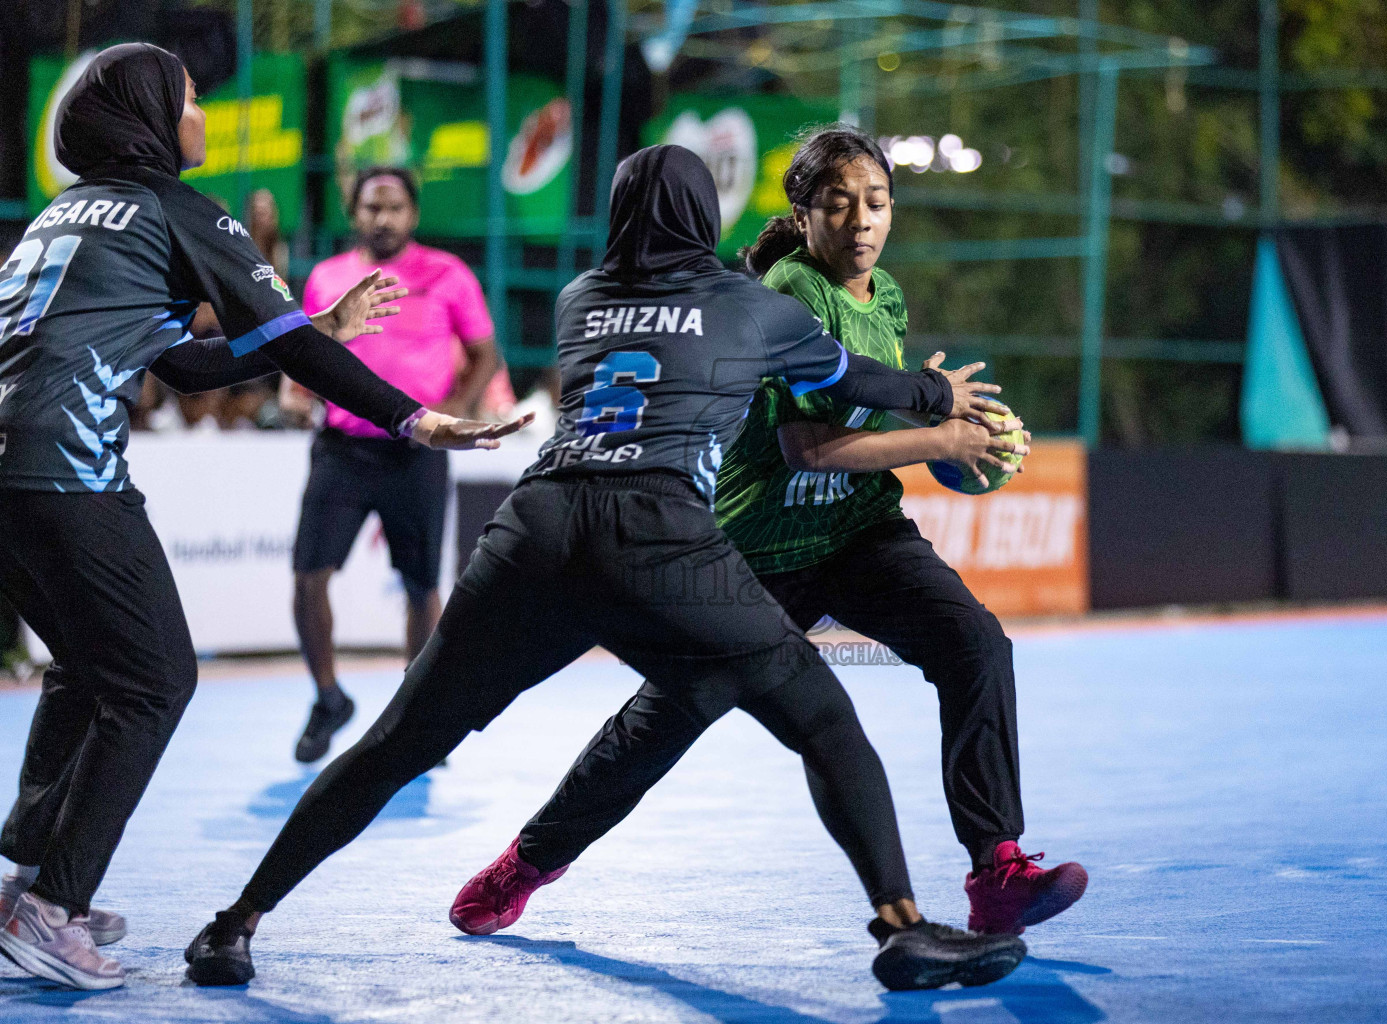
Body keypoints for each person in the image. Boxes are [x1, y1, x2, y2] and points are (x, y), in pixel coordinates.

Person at [185, 144, 1027, 993]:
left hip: (534, 530)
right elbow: (865, 382)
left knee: (396, 742)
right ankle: (903, 929)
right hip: (658, 537)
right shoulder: (750, 307)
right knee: (824, 720)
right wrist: (938, 397)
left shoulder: (579, 299)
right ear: (704, 215)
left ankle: (234, 924)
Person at [456, 126, 1089, 940]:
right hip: (758, 548)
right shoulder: (790, 292)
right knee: (664, 720)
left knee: (974, 643)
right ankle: (529, 860)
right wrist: (942, 441)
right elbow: (806, 446)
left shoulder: (883, 295)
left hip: (858, 530)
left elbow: (856, 407)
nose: (861, 221)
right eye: (839, 204)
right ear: (804, 212)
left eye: (877, 202)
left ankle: (996, 866)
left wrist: (935, 402)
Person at [0, 44, 521, 990]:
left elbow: (188, 364)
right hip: (64, 464)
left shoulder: (66, 213)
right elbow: (285, 349)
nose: (203, 115)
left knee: (87, 665)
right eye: (192, 99)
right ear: (150, 119)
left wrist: (309, 337)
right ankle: (50, 909)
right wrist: (412, 415)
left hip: (9, 470)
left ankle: (27, 880)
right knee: (156, 680)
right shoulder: (177, 209)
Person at [280, 166, 503, 764]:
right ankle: (328, 697)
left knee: (422, 586)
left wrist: (452, 412)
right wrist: (295, 393)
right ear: (353, 213)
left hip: (416, 452)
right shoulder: (327, 278)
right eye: (373, 207)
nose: (384, 218)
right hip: (343, 448)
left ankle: (417, 712)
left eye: (396, 207)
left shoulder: (448, 274)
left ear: (414, 213)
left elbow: (484, 354)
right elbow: (302, 356)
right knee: (308, 578)